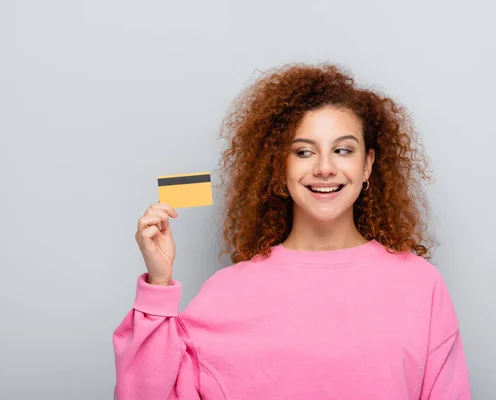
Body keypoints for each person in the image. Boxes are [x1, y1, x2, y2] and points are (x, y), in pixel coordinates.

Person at [112, 63, 471, 399]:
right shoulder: (228, 292)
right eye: (303, 152)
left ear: (368, 165)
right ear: (279, 167)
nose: (325, 168)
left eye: (343, 150)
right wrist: (158, 288)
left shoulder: (421, 286)